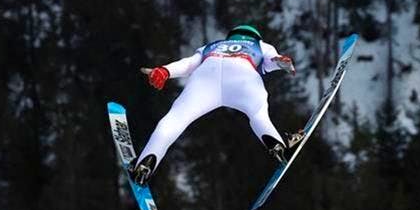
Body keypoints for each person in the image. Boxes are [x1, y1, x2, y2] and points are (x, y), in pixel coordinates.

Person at [130, 24, 303, 186]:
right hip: (242, 76)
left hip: (206, 76)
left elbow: (188, 64)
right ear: (256, 36)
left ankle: (145, 165)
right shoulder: (260, 44)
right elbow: (273, 61)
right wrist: (282, 62)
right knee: (258, 115)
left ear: (230, 36)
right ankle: (278, 147)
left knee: (175, 119)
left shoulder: (213, 45)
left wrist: (164, 71)